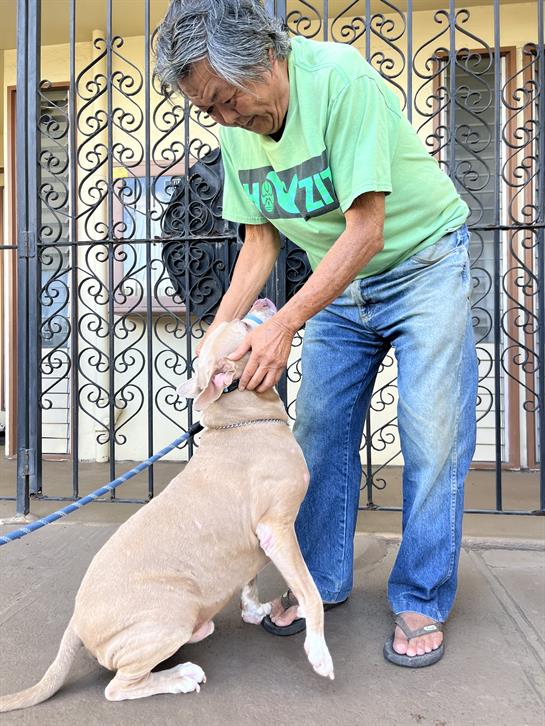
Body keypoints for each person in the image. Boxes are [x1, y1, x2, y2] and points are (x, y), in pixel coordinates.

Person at [154, 0, 478, 667]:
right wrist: (219, 330)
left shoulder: (340, 78)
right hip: (337, 284)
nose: (222, 119)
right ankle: (320, 584)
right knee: (319, 435)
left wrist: (285, 322)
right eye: (206, 111)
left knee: (433, 432)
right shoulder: (238, 122)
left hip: (420, 265)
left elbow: (366, 228)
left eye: (225, 101)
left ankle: (420, 595)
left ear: (266, 59)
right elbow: (259, 238)